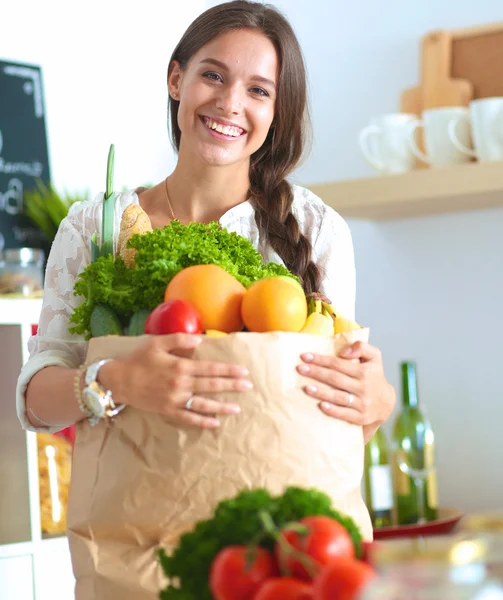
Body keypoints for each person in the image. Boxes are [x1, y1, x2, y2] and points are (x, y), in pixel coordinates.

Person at [18, 0, 395, 447]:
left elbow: (338, 416)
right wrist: (118, 380)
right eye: (213, 75)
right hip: (136, 508)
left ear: (277, 111)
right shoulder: (94, 228)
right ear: (177, 79)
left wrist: (378, 402)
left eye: (259, 91)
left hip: (268, 506)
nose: (230, 103)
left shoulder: (315, 229)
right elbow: (35, 402)